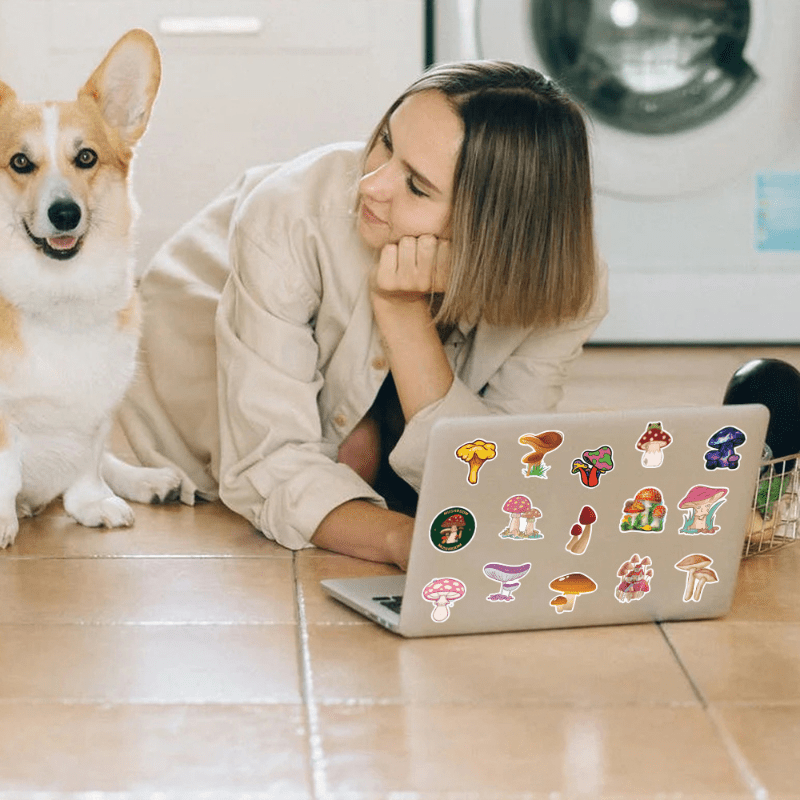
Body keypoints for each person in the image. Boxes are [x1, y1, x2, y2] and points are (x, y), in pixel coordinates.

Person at [118, 60, 608, 570]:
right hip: (204, 312)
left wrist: (403, 313)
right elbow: (270, 462)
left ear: (495, 226)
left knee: (368, 456)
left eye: (417, 186)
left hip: (384, 345)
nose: (371, 184)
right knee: (349, 454)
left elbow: (496, 475)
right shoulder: (289, 214)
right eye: (386, 142)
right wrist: (406, 542)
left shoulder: (567, 283)